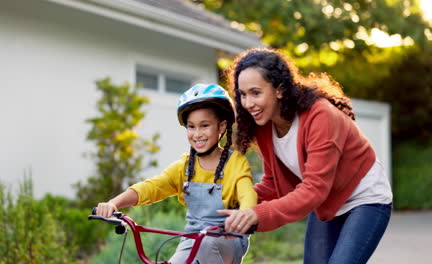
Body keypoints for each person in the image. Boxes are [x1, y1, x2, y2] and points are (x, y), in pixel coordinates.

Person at [217, 48, 393, 264]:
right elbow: (273, 184)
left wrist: (257, 214)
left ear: (279, 89)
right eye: (242, 95)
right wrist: (234, 203)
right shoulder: (265, 125)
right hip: (328, 201)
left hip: (365, 198)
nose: (248, 103)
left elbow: (314, 188)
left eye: (256, 93)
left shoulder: (321, 116)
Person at [95, 84, 257, 264]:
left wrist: (246, 213)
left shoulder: (235, 164)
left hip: (228, 239)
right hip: (192, 239)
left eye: (205, 126)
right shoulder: (185, 167)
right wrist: (114, 204)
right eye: (191, 126)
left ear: (221, 126)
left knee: (206, 244)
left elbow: (246, 192)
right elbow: (152, 187)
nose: (197, 134)